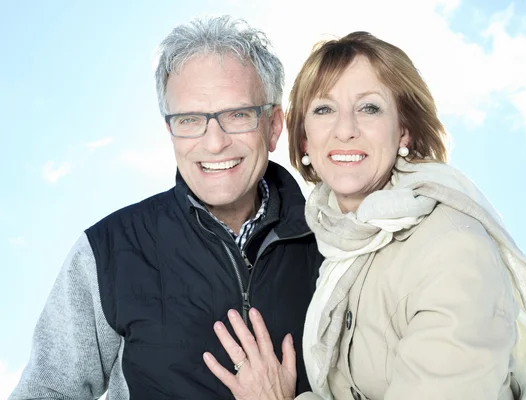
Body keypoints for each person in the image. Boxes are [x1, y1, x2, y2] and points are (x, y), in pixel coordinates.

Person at [203, 31, 526, 400]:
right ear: (303, 140)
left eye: (369, 108)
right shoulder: (331, 242)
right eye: (324, 109)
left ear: (404, 131)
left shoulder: (452, 249)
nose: (345, 130)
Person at [9, 15, 322, 400]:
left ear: (273, 125)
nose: (214, 142)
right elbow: (45, 392)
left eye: (237, 114)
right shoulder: (109, 250)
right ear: (170, 131)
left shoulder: (334, 247)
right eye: (190, 120)